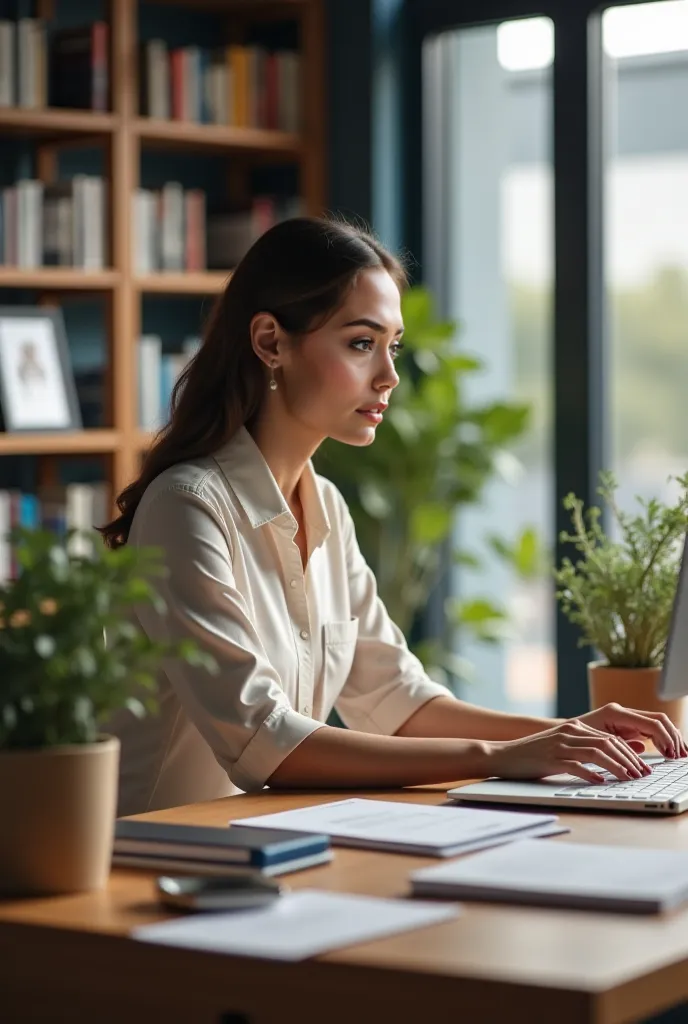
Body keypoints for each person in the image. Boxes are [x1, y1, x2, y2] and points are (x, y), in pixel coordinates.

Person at [100, 217, 687, 817]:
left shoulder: (323, 503)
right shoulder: (187, 506)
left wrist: (572, 732)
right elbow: (263, 741)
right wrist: (496, 756)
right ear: (271, 342)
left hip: (258, 849)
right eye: (361, 343)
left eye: (393, 346)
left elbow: (398, 702)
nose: (389, 376)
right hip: (153, 864)